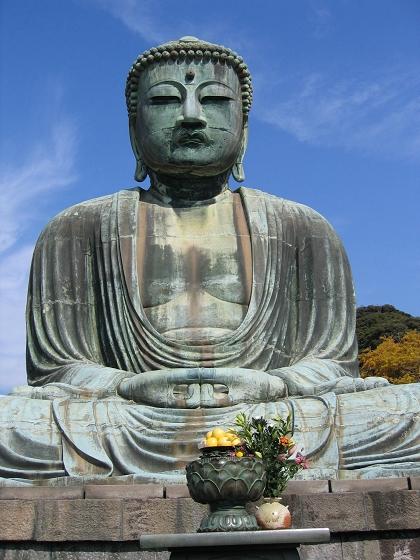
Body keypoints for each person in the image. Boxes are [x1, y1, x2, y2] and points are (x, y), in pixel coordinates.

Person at [0, 37, 418, 484]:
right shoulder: (77, 228)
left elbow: (333, 365)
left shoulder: (303, 227)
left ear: (244, 126)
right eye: (165, 100)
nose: (192, 116)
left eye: (215, 100)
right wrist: (126, 386)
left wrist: (271, 385)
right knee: (15, 425)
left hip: (271, 411)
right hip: (130, 419)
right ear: (133, 127)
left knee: (406, 412)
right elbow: (57, 370)